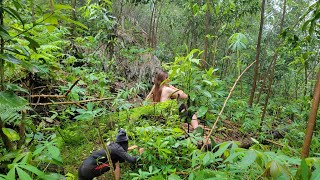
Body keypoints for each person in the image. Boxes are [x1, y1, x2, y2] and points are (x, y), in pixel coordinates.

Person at [78, 129, 144, 180]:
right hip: (90, 169)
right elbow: (132, 160)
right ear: (125, 142)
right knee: (114, 163)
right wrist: (141, 154)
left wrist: (129, 149)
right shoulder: (118, 149)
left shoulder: (113, 145)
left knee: (115, 161)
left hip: (82, 168)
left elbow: (116, 151)